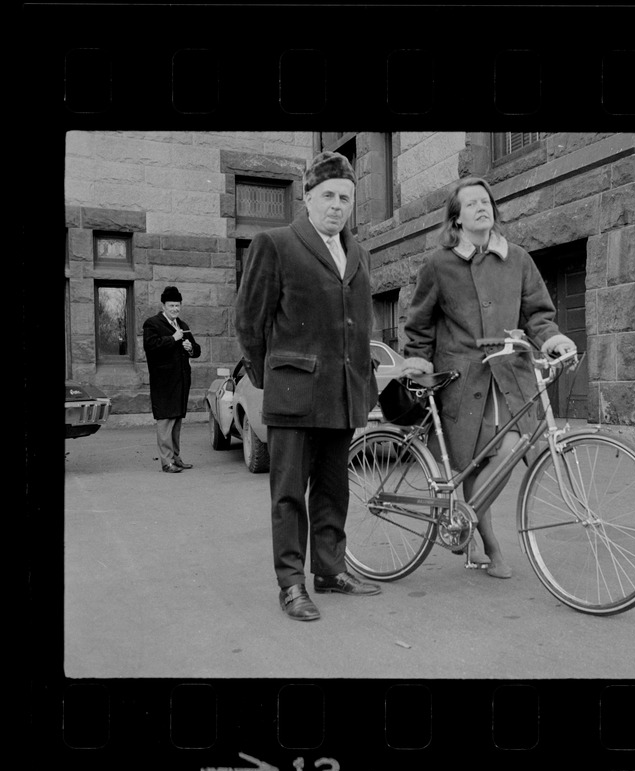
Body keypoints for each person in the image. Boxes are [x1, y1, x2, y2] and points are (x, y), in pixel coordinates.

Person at [400, 176, 576, 579]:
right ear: (456, 219)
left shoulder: (517, 258)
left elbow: (538, 316)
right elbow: (419, 323)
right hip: (461, 380)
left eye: (486, 201)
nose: (482, 207)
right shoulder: (439, 264)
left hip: (510, 375)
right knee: (473, 464)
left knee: (510, 447)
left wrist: (552, 339)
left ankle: (466, 521)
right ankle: (490, 547)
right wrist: (417, 360)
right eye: (472, 203)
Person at [235, 151, 381, 622]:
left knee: (334, 491)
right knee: (289, 494)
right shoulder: (274, 243)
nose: (337, 206)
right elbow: (248, 322)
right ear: (309, 198)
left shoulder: (357, 252)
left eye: (345, 197)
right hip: (293, 395)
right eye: (328, 196)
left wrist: (363, 382)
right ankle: (291, 583)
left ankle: (330, 571)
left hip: (342, 395)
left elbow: (359, 326)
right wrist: (272, 377)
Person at [142, 286, 201, 473]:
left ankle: (176, 458)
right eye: (171, 305)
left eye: (178, 305)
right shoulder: (152, 324)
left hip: (181, 381)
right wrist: (173, 338)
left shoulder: (182, 325)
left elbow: (197, 350)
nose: (175, 308)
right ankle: (166, 462)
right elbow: (151, 347)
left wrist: (189, 346)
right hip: (164, 381)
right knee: (165, 420)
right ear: (163, 305)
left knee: (176, 420)